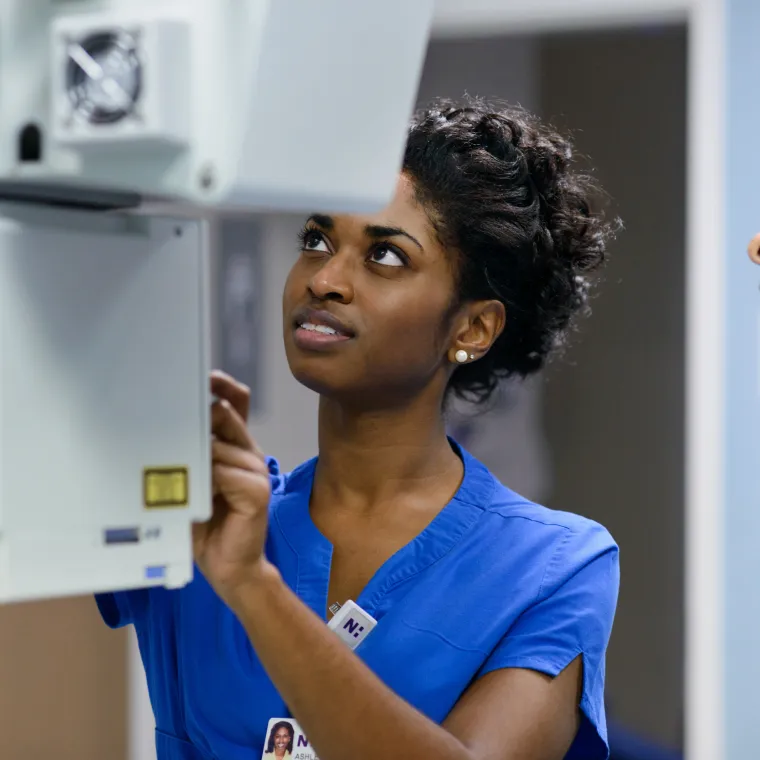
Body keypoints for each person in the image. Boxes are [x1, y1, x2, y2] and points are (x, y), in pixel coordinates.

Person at [95, 97, 620, 760]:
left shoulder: (552, 568)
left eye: (386, 257)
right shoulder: (199, 511)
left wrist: (254, 587)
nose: (326, 279)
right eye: (316, 241)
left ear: (472, 327)